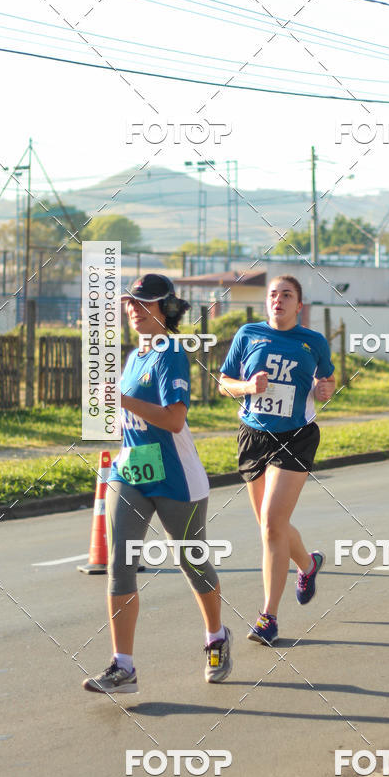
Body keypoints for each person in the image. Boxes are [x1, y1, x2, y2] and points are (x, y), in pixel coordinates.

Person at [82, 274, 232, 694]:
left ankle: (216, 637)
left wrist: (123, 400)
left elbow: (174, 419)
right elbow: (130, 418)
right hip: (131, 471)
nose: (133, 309)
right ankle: (123, 666)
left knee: (192, 561)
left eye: (142, 303)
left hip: (175, 475)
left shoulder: (171, 354)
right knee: (120, 564)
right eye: (130, 302)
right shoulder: (134, 357)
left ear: (165, 309)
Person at [218, 275, 335, 645]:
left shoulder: (313, 341)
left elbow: (326, 384)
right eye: (273, 295)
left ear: (298, 305)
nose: (278, 300)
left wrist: (323, 389)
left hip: (295, 436)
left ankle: (268, 617)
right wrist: (248, 387)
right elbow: (224, 383)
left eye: (287, 295)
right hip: (254, 436)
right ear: (266, 302)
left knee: (272, 523)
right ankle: (308, 564)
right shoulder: (248, 334)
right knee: (272, 527)